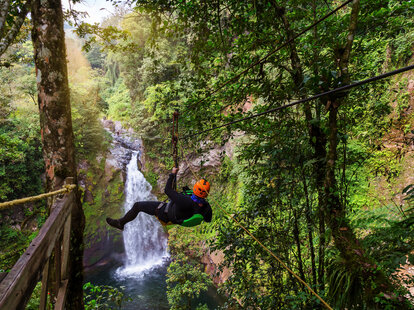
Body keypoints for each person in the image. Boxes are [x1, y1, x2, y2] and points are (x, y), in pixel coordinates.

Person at [106, 167, 212, 230]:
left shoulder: (185, 201)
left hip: (164, 213)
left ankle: (121, 223)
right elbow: (208, 219)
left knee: (138, 206)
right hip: (177, 216)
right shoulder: (207, 208)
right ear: (206, 194)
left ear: (195, 189)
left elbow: (167, 190)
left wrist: (172, 174)